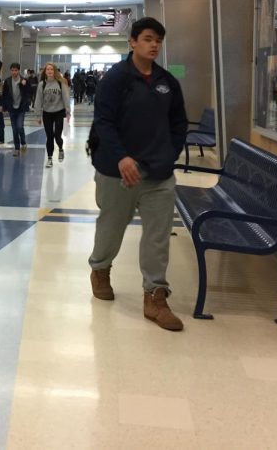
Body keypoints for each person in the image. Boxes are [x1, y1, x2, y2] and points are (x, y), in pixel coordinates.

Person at [87, 17, 188, 331]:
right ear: (132, 42)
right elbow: (103, 122)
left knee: (158, 237)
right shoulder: (116, 79)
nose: (154, 44)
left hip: (157, 174)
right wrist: (121, 158)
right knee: (111, 227)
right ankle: (100, 269)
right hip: (117, 172)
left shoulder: (167, 82)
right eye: (147, 38)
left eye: (158, 39)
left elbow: (179, 124)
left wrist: (168, 156)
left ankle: (155, 295)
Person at [34, 62, 70, 168]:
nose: (49, 71)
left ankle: (60, 148)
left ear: (54, 71)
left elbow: (66, 97)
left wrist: (68, 112)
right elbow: (38, 100)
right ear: (45, 72)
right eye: (47, 69)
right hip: (47, 113)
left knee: (57, 136)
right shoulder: (42, 84)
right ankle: (49, 159)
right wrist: (37, 115)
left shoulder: (60, 82)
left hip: (59, 112)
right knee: (49, 137)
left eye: (51, 69)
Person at [0, 62, 31, 157]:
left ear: (19, 70)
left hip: (21, 107)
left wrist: (24, 85)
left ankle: (23, 142)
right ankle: (17, 148)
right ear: (10, 71)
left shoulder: (24, 80)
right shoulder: (7, 81)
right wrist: (3, 106)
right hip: (11, 108)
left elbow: (29, 93)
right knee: (14, 129)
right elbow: (4, 95)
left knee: (19, 126)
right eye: (12, 70)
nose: (14, 72)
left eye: (16, 70)